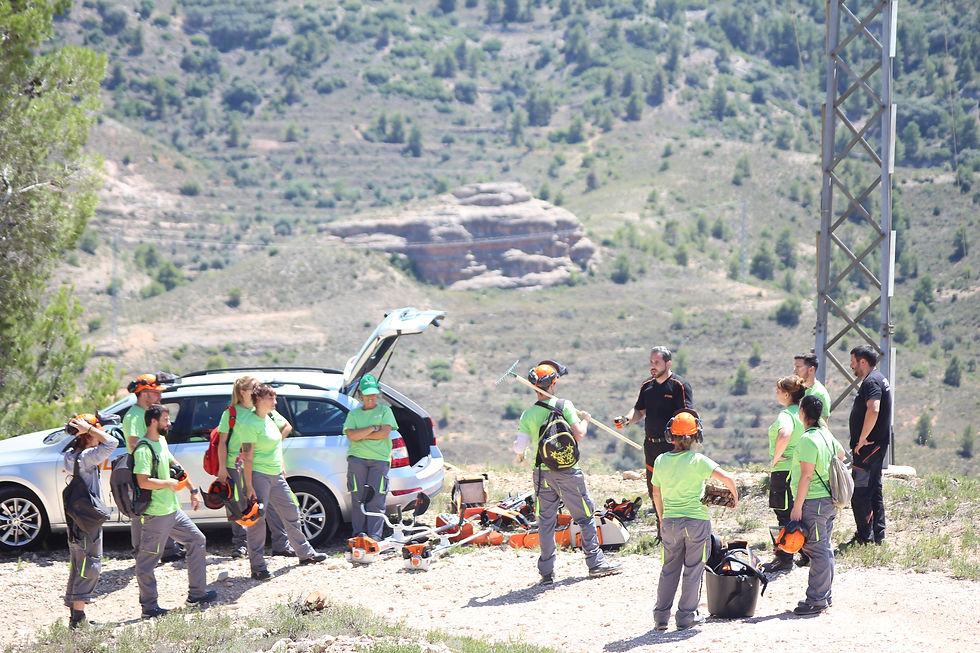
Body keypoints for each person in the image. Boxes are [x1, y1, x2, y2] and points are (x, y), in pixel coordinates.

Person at [513, 360, 622, 584]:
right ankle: (595, 563)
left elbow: (518, 448)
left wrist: (521, 455)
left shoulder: (528, 414)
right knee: (584, 516)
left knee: (546, 521)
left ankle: (546, 572)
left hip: (542, 474)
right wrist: (586, 420)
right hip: (568, 471)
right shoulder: (564, 405)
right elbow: (579, 434)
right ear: (553, 384)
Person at [651, 409, 738, 631]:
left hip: (670, 522)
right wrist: (734, 497)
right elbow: (728, 478)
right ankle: (685, 618)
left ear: (671, 435)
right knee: (693, 570)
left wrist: (662, 519)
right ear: (696, 436)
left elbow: (656, 494)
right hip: (696, 523)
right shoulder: (699, 461)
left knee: (669, 569)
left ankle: (661, 618)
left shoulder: (660, 460)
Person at [134, 404, 216, 618]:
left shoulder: (161, 441)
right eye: (165, 420)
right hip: (156, 514)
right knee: (147, 561)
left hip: (172, 510)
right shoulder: (143, 449)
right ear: (153, 421)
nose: (169, 423)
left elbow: (176, 466)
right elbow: (143, 481)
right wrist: (167, 484)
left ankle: (197, 594)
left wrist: (192, 489)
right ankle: (149, 607)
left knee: (197, 540)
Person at [238, 384, 327, 580]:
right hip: (258, 476)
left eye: (275, 398)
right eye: (271, 398)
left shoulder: (269, 419)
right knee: (257, 521)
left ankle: (305, 553)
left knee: (291, 510)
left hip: (276, 474)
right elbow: (247, 456)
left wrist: (282, 466)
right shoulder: (249, 423)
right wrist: (249, 486)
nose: (275, 402)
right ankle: (258, 567)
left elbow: (276, 446)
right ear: (259, 399)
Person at [217, 375, 294, 559]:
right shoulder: (231, 413)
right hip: (236, 465)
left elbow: (286, 427)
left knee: (270, 506)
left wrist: (272, 449)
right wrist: (222, 468)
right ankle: (241, 545)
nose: (258, 389)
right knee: (241, 505)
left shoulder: (263, 410)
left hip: (261, 465)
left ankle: (281, 545)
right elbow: (222, 442)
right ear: (242, 392)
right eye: (254, 387)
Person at [615, 346, 694, 521]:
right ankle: (661, 528)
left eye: (657, 362)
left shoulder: (679, 386)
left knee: (674, 489)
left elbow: (687, 416)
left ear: (668, 363)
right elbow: (639, 410)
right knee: (655, 492)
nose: (653, 365)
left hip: (673, 446)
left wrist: (681, 445)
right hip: (651, 445)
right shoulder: (647, 386)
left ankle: (679, 526)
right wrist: (626, 419)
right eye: (651, 362)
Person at [790, 395, 846, 615]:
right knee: (824, 547)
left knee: (817, 550)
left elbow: (806, 475)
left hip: (813, 502)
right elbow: (841, 454)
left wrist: (797, 507)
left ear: (803, 412)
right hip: (828, 501)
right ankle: (824, 595)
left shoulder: (808, 439)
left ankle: (816, 600)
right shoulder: (826, 435)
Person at [63, 414, 118, 629]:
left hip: (76, 520)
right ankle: (78, 620)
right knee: (91, 563)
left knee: (78, 564)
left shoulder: (71, 455)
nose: (99, 436)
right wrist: (88, 429)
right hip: (88, 521)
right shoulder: (87, 457)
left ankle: (76, 617)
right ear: (86, 435)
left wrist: (85, 430)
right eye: (95, 432)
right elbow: (112, 442)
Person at [123, 373, 182, 563]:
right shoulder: (133, 416)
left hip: (155, 471)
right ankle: (141, 554)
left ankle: (168, 550)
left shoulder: (151, 414)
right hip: (143, 472)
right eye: (155, 392)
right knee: (141, 512)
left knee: (160, 510)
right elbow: (134, 444)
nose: (160, 396)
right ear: (144, 394)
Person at [845, 345, 892, 547]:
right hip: (875, 447)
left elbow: (874, 409)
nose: (851, 366)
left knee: (861, 493)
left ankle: (865, 537)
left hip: (868, 449)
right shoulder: (879, 378)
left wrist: (862, 438)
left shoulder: (871, 381)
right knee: (873, 490)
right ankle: (877, 535)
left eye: (853, 362)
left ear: (862, 361)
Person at [343, 374, 398, 540]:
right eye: (367, 394)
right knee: (358, 498)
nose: (371, 397)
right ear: (361, 395)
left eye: (373, 393)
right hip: (357, 459)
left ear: (377, 393)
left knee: (376, 500)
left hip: (380, 460)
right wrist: (372, 428)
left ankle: (374, 537)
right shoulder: (354, 414)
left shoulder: (385, 411)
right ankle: (359, 536)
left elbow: (384, 434)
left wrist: (361, 434)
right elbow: (351, 435)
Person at [762, 375, 807, 573]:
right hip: (799, 470)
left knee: (783, 515)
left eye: (779, 390)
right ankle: (805, 553)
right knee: (798, 513)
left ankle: (784, 558)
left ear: (787, 394)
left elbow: (784, 433)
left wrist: (776, 457)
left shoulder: (786, 415)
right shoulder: (804, 413)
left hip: (783, 470)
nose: (776, 393)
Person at [793, 353, 831, 425]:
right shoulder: (798, 391)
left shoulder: (819, 394)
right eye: (794, 367)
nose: (795, 372)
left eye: (798, 367)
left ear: (811, 369)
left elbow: (822, 426)